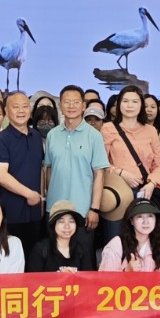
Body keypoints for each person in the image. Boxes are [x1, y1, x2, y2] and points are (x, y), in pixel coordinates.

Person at [24, 200, 97, 318]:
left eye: (71, 221)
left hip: (75, 304)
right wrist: (56, 280)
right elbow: (30, 284)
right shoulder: (41, 249)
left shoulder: (82, 249)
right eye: (61, 221)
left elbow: (90, 281)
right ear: (53, 225)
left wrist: (75, 279)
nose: (67, 226)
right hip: (47, 305)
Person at [98, 198, 160, 318]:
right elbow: (103, 287)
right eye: (140, 217)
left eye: (150, 216)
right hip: (120, 309)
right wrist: (127, 272)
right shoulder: (117, 244)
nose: (146, 221)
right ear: (131, 221)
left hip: (149, 306)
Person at [44, 84, 108, 232]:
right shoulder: (52, 135)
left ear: (83, 106)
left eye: (76, 102)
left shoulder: (94, 136)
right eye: (67, 102)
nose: (71, 106)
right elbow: (49, 169)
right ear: (60, 106)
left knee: (82, 247)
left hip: (83, 210)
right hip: (55, 208)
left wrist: (94, 208)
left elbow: (99, 174)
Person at [101, 85, 160, 233]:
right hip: (117, 193)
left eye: (135, 101)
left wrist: (152, 183)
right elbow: (101, 163)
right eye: (125, 101)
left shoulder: (151, 131)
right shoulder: (108, 128)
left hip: (144, 192)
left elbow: (159, 164)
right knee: (116, 238)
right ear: (119, 104)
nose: (130, 105)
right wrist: (121, 173)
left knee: (143, 238)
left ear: (141, 105)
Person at [0, 90, 46, 251]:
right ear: (6, 111)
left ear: (30, 110)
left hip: (35, 212)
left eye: (25, 106)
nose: (21, 111)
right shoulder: (2, 139)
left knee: (33, 257)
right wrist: (29, 194)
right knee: (11, 258)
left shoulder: (36, 136)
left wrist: (41, 201)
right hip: (11, 213)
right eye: (15, 107)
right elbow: (0, 176)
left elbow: (40, 170)